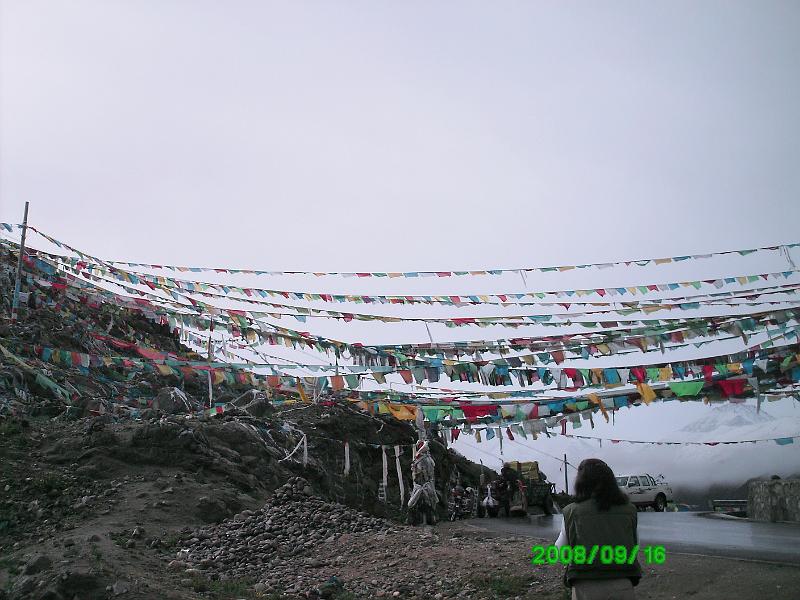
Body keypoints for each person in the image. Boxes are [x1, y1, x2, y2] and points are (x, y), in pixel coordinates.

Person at [555, 459, 642, 600]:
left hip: (585, 585)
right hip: (623, 583)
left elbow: (561, 551)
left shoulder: (571, 511)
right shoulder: (630, 509)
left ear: (580, 483)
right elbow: (635, 545)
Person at [407, 440, 439, 525]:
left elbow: (428, 473)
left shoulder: (427, 459)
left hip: (425, 484)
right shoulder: (420, 459)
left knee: (431, 501)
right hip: (419, 485)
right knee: (411, 503)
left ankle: (432, 518)